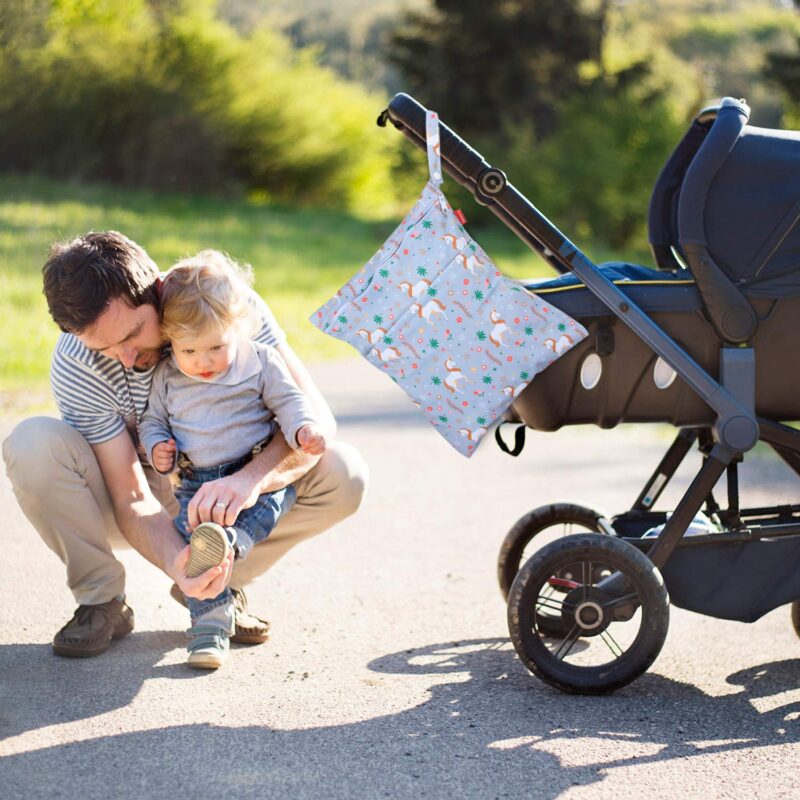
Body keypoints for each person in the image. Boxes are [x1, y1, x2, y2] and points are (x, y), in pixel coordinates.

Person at [2, 231, 368, 658]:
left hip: (229, 492)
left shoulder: (218, 302)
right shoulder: (77, 363)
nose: (125, 357)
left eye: (132, 334)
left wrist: (249, 481)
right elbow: (131, 496)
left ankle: (218, 585)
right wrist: (178, 562)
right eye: (105, 347)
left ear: (156, 292)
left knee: (344, 473)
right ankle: (102, 600)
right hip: (131, 495)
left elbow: (317, 419)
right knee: (31, 443)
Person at [139, 251, 328, 668]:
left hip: (254, 471)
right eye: (188, 349)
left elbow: (290, 404)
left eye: (215, 347)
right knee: (195, 552)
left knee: (260, 512)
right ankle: (207, 635)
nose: (202, 361)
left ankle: (230, 543)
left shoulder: (261, 361)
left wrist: (303, 430)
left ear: (237, 328)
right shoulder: (168, 375)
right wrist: (158, 448)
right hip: (195, 483)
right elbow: (152, 420)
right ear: (169, 340)